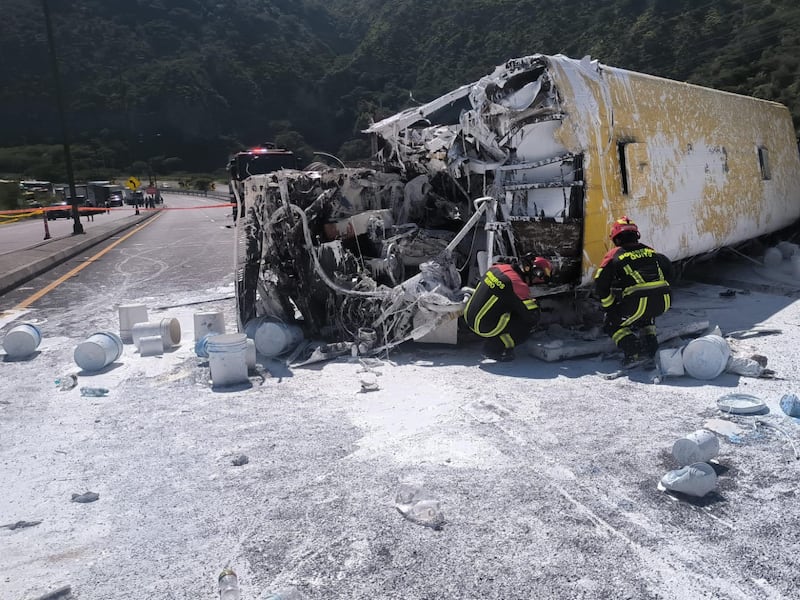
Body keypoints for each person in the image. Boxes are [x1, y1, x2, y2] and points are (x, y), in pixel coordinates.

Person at [594, 216, 674, 365]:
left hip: (638, 302)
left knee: (612, 324)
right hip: (664, 301)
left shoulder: (615, 254)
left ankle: (634, 352)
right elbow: (670, 270)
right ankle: (651, 347)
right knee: (646, 316)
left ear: (616, 239)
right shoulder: (650, 251)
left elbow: (600, 283)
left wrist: (610, 308)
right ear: (636, 236)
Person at [463, 253, 552, 362]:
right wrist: (535, 306)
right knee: (525, 326)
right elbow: (531, 316)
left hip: (469, 317)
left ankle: (491, 338)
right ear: (535, 273)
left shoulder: (498, 268)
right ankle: (493, 349)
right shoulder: (518, 285)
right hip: (484, 327)